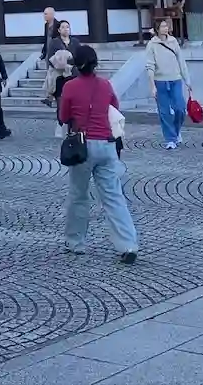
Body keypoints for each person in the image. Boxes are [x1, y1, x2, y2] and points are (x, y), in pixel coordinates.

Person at [59, 45, 139, 264]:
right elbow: (114, 107)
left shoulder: (70, 87)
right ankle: (128, 244)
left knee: (78, 195)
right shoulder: (105, 85)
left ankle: (75, 242)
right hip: (106, 144)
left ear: (77, 66)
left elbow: (64, 116)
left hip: (82, 146)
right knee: (114, 197)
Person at [145, 17, 191, 149]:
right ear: (157, 29)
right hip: (160, 82)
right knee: (164, 112)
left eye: (166, 26)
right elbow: (150, 66)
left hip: (175, 79)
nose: (165, 28)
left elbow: (181, 61)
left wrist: (187, 80)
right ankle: (171, 139)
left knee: (180, 108)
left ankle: (176, 131)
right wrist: (152, 86)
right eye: (163, 26)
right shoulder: (152, 45)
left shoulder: (173, 41)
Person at [39, 7, 59, 105]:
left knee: (54, 76)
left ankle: (52, 97)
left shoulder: (58, 25)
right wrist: (44, 52)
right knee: (49, 76)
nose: (44, 16)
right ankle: (50, 97)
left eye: (46, 14)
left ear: (52, 14)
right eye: (44, 14)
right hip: (48, 53)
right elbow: (45, 39)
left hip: (56, 54)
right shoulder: (46, 25)